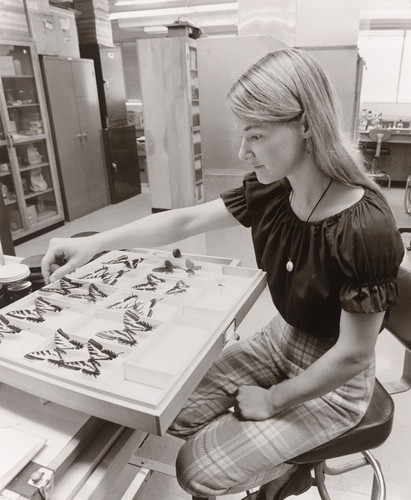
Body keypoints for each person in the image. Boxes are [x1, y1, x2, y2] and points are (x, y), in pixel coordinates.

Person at [41, 48, 404, 500]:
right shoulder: (276, 190)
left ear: (307, 124)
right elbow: (186, 220)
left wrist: (273, 401)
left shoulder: (365, 226)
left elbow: (352, 354)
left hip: (336, 378)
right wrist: (94, 243)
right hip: (282, 337)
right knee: (168, 408)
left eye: (254, 135)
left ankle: (282, 473)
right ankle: (270, 451)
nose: (241, 151)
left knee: (196, 471)